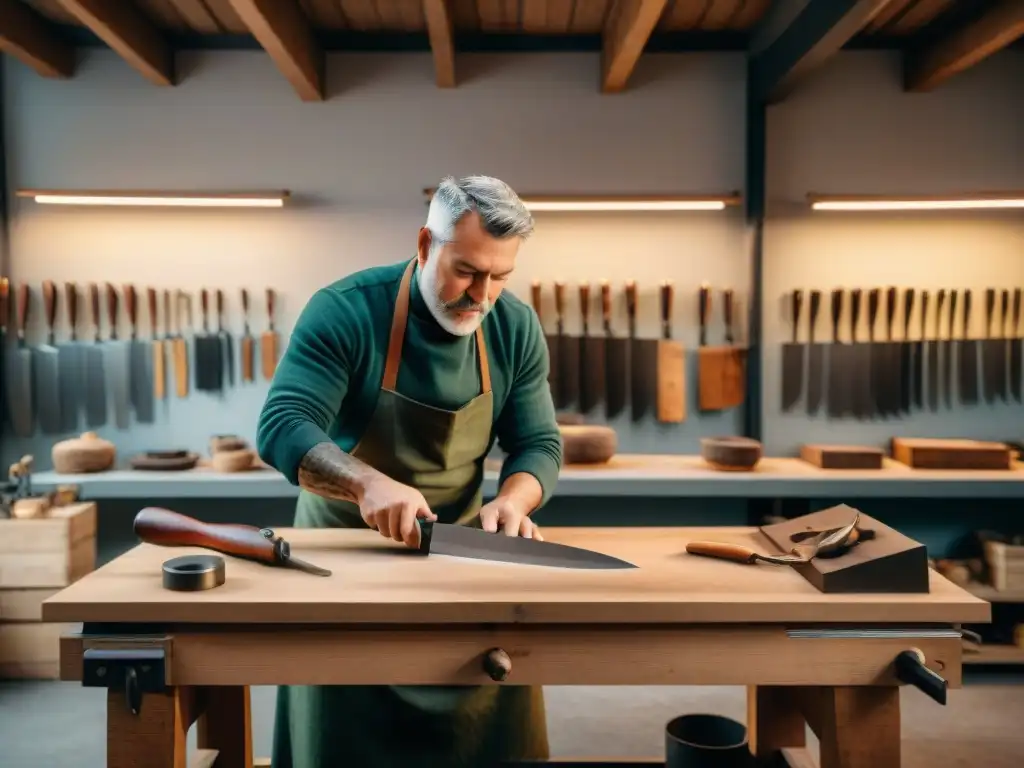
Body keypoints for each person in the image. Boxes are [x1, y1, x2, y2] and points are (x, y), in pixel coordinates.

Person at [255, 174, 563, 768]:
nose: (482, 295)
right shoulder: (345, 312)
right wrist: (366, 482)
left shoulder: (515, 327)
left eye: (501, 277)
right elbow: (283, 424)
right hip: (340, 565)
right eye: (468, 271)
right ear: (425, 244)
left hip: (463, 563)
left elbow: (538, 443)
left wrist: (517, 500)